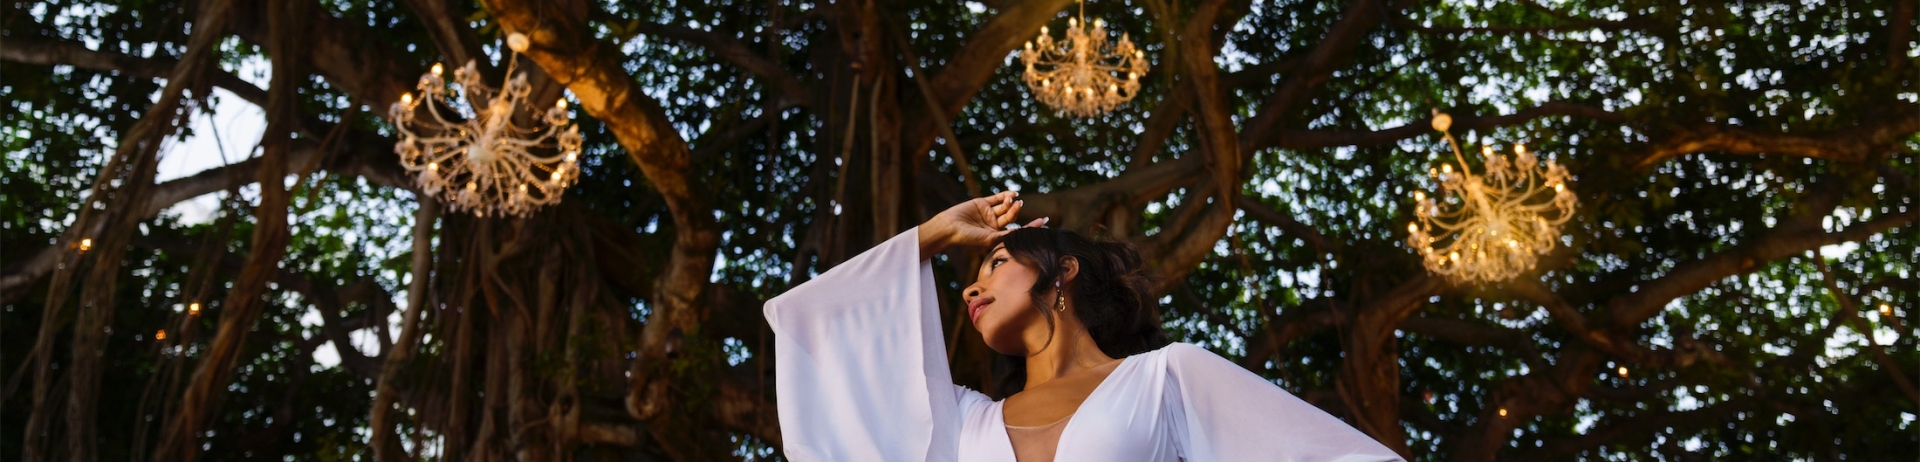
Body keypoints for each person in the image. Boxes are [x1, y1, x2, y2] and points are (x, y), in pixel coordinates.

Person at [765, 191, 1403, 461]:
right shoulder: (959, 422)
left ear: (1061, 270)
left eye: (995, 261)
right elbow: (817, 323)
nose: (971, 285)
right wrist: (931, 236)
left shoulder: (1165, 378)